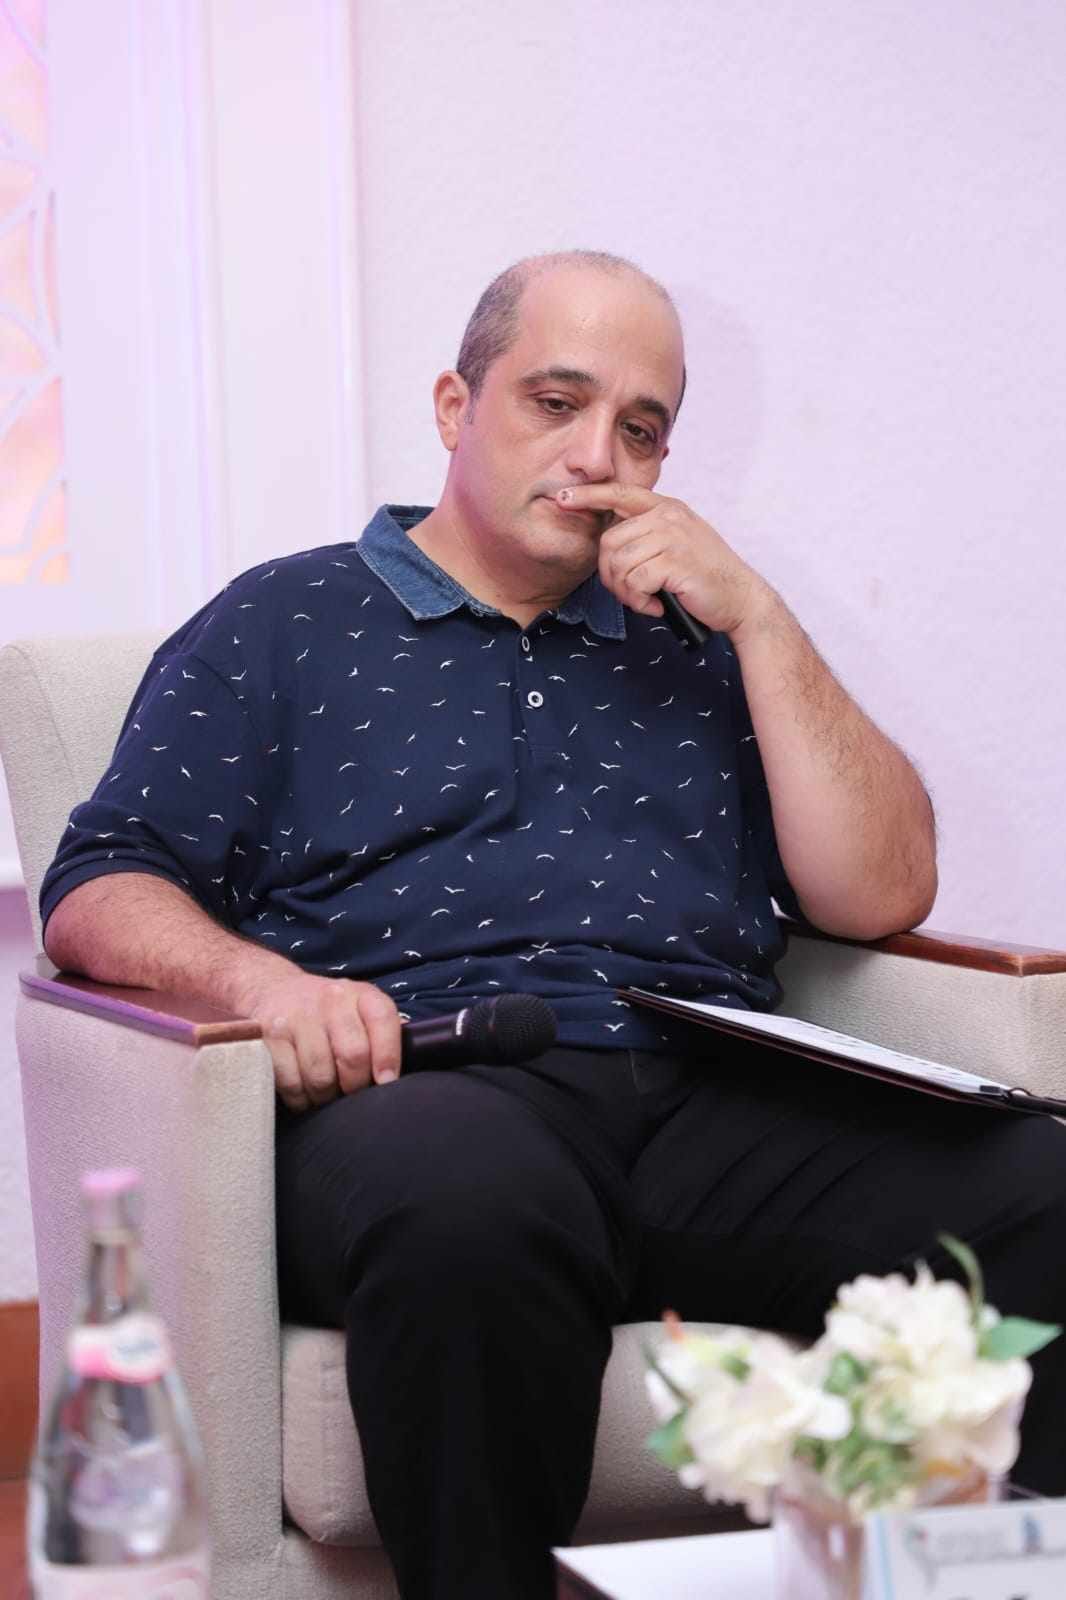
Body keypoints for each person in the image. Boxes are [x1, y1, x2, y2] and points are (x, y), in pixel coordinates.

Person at [40, 251, 1065, 1599]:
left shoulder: (698, 638)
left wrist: (759, 620)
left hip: (705, 1083)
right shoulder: (284, 621)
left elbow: (882, 895)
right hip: (433, 1081)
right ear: (454, 406)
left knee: (1044, 1188)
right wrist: (265, 987)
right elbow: (100, 880)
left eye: (640, 429)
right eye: (556, 402)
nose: (596, 458)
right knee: (467, 1213)